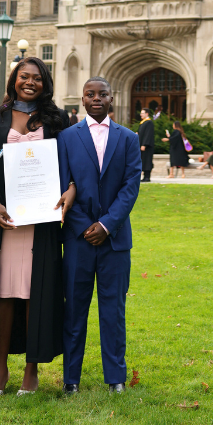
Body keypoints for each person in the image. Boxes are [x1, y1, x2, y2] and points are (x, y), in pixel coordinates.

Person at [0, 58, 68, 397]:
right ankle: (0, 369)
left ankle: (31, 369)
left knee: (36, 290)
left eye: (37, 78)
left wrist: (68, 190)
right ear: (14, 79)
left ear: (46, 83)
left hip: (41, 221)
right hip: (8, 220)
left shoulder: (57, 119)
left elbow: (66, 163)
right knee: (4, 290)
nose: (30, 82)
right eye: (23, 77)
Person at [56, 76, 141, 394]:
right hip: (78, 239)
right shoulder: (66, 138)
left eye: (102, 94)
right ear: (82, 98)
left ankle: (116, 377)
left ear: (111, 98)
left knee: (113, 310)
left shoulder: (129, 138)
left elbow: (131, 186)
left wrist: (106, 225)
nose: (96, 98)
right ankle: (71, 379)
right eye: (90, 94)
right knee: (74, 309)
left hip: (115, 240)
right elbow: (64, 185)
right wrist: (82, 226)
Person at [137, 109, 154, 182]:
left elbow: (148, 134)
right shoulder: (143, 123)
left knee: (147, 161)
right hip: (142, 145)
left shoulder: (149, 122)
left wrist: (144, 144)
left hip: (147, 147)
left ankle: (147, 177)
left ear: (147, 114)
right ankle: (144, 177)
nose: (141, 114)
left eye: (142, 113)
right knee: (143, 161)